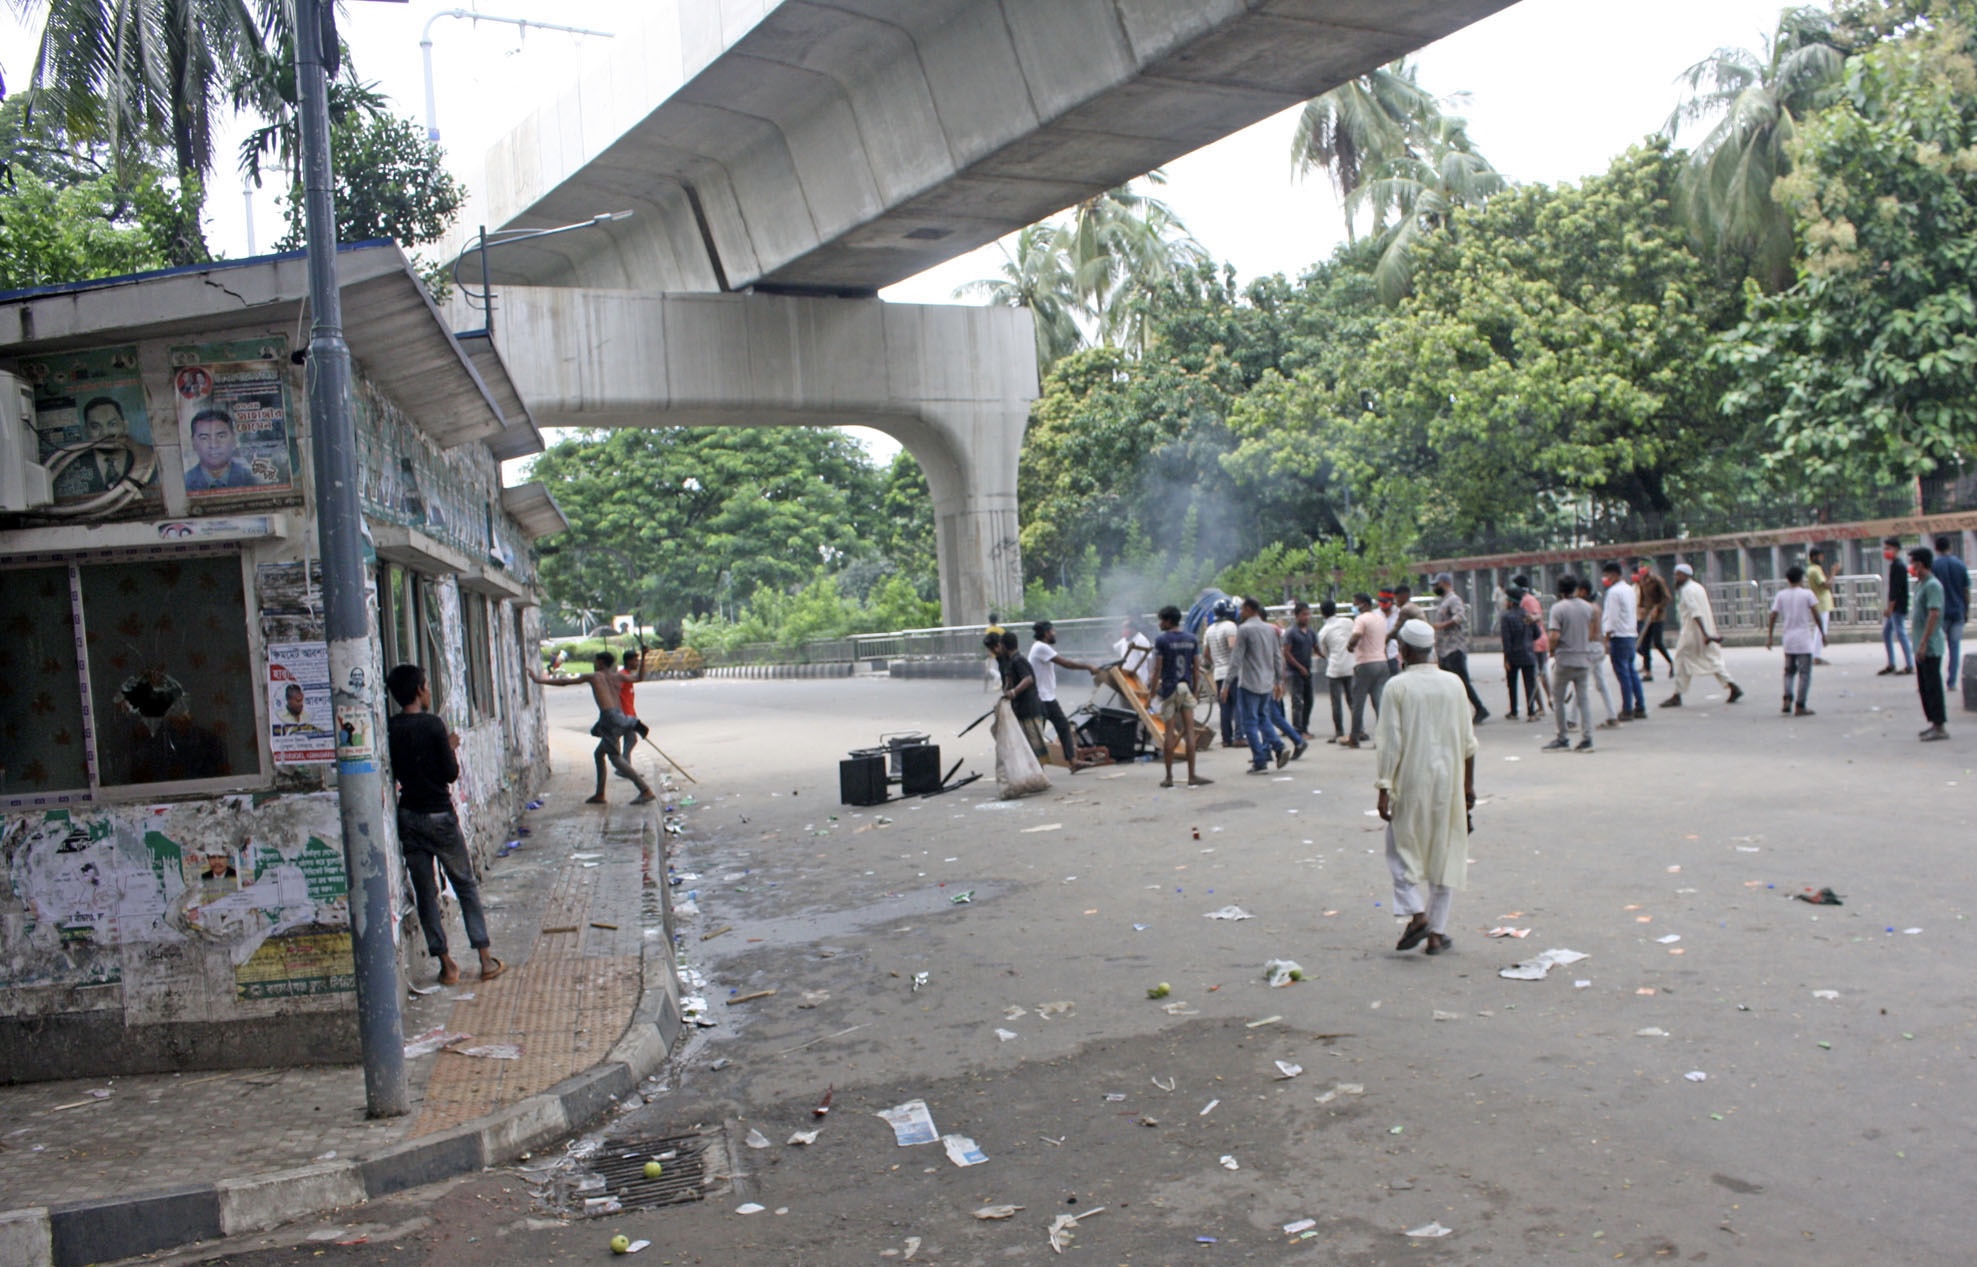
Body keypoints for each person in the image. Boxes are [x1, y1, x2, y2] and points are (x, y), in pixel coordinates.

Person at [386, 663, 502, 986]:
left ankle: (446, 964)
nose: (428, 691)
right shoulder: (433, 725)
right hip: (439, 815)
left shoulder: (392, 727)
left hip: (409, 816)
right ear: (419, 690)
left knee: (425, 893)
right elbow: (450, 773)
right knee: (464, 884)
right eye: (426, 685)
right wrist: (447, 746)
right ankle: (485, 959)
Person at [1375, 620, 1478, 958]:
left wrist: (1384, 787)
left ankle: (1418, 914)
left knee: (1399, 850)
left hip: (1411, 780)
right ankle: (1436, 933)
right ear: (1431, 648)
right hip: (1450, 781)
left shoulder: (1396, 687)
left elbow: (1390, 742)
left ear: (1403, 650)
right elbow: (1469, 742)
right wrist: (1468, 787)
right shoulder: (1454, 683)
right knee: (1443, 852)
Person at [529, 651, 658, 804]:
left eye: (595, 661)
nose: (594, 664)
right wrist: (644, 656)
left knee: (615, 759)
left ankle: (644, 790)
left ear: (601, 663)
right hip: (619, 716)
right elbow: (639, 678)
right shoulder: (618, 676)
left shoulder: (594, 677)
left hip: (609, 718)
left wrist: (538, 680)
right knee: (599, 754)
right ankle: (600, 794)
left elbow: (564, 682)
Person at [1662, 562, 1743, 707]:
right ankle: (1732, 685)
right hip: (1703, 630)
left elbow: (1696, 612)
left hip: (1692, 632)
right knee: (1710, 659)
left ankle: (1677, 695)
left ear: (1685, 575)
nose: (1676, 578)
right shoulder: (1698, 587)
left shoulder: (1687, 590)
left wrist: (1705, 634)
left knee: (1680, 661)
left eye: (1678, 575)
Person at [1151, 605, 1211, 788]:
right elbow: (1196, 668)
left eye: (1161, 620)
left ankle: (1169, 777)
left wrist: (1152, 691)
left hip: (1169, 688)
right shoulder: (1191, 639)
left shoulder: (1162, 640)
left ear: (1168, 621)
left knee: (1169, 733)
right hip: (1186, 688)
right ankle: (1192, 775)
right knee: (1189, 732)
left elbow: (1157, 669)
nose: (1160, 624)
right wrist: (1195, 691)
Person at [1235, 596, 1297, 772]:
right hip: (1266, 682)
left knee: (1250, 722)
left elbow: (1236, 659)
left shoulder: (1244, 630)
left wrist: (1226, 684)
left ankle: (1260, 760)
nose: (1240, 612)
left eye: (1242, 609)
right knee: (1263, 718)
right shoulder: (1271, 629)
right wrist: (1278, 680)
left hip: (1249, 682)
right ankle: (1278, 746)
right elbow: (1278, 656)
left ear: (1248, 609)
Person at [1029, 621, 1098, 770]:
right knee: (1042, 733)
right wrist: (1088, 666)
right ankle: (1036, 767)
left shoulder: (1040, 647)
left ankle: (1072, 762)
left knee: (1063, 726)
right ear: (1046, 633)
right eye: (1053, 631)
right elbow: (1066, 663)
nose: (1055, 634)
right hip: (1041, 698)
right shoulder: (1041, 647)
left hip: (1046, 697)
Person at [1543, 576, 1598, 752]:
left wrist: (1551, 650)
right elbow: (1592, 632)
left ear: (1560, 590)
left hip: (1565, 658)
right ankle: (1587, 738)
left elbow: (1554, 635)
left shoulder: (1558, 608)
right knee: (1583, 700)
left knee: (1558, 699)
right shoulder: (1588, 607)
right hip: (1583, 657)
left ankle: (1562, 737)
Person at [1429, 572, 1488, 724]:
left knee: (1461, 681)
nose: (1435, 588)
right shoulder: (1444, 601)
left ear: (1445, 583)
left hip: (1454, 647)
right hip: (1444, 649)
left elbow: (1459, 617)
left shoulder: (1453, 600)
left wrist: (1441, 625)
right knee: (1447, 683)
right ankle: (1452, 713)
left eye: (1437, 585)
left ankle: (1480, 708)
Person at [1766, 565, 1820, 716]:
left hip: (1788, 639)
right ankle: (1800, 705)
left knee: (1789, 672)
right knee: (1804, 673)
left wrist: (1770, 636)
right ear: (1801, 578)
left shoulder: (1781, 595)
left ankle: (1787, 698)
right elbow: (1816, 614)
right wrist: (1822, 632)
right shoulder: (1807, 594)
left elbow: (1773, 615)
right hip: (1803, 640)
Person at [1910, 546, 1949, 741]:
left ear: (1920, 563)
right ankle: (1933, 722)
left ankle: (1939, 725)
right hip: (1920, 644)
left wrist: (1924, 642)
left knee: (1933, 686)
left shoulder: (1933, 585)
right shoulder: (1920, 584)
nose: (1911, 566)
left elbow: (1934, 614)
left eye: (1913, 562)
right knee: (1924, 687)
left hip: (1930, 645)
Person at [1600, 562, 1645, 720]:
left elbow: (1612, 618)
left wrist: (1606, 639)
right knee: (1631, 671)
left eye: (1607, 575)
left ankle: (1627, 708)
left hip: (1618, 635)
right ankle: (1640, 706)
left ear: (1613, 574)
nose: (1606, 579)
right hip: (1630, 634)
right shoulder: (1629, 589)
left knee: (1623, 673)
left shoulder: (1614, 592)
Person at [994, 630, 1049, 757]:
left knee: (1034, 748)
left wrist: (1014, 692)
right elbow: (1010, 681)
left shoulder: (1018, 660)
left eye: (1000, 645)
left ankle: (1038, 769)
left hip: (1030, 710)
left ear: (1004, 646)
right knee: (1026, 748)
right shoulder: (1010, 661)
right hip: (1022, 710)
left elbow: (1028, 679)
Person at [1345, 593, 1389, 749]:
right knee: (1379, 701)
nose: (1354, 606)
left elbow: (1356, 635)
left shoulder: (1361, 619)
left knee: (1358, 702)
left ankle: (1354, 737)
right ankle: (1383, 737)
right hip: (1382, 662)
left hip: (1365, 663)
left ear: (1364, 604)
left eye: (1355, 603)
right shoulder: (1380, 618)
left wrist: (1350, 646)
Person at [183, 407, 260, 490]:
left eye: (221, 436)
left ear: (234, 439)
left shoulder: (253, 481)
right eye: (204, 438)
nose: (213, 445)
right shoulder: (183, 483)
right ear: (193, 443)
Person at [1204, 599, 1243, 749]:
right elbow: (1232, 646)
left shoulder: (1209, 629)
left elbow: (1206, 653)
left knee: (1225, 706)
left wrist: (1215, 663)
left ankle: (1226, 738)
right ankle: (1239, 736)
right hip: (1232, 672)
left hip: (1218, 673)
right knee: (1238, 703)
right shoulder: (1230, 626)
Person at [1932, 536, 1968, 692]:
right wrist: (1966, 610)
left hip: (1940, 612)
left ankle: (1935, 680)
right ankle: (1951, 682)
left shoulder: (1934, 566)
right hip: (1958, 611)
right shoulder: (1960, 565)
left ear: (1936, 548)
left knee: (1937, 648)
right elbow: (1966, 590)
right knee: (1954, 648)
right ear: (1950, 547)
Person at [1318, 599, 1356, 743]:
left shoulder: (1323, 632)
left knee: (1336, 702)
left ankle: (1339, 731)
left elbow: (1324, 652)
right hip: (1351, 665)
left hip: (1334, 668)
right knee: (1353, 700)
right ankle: (1358, 730)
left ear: (1322, 613)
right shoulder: (1348, 622)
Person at [1513, 575, 1552, 716]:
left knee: (1534, 676)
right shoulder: (1527, 599)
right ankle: (1548, 701)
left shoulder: (1527, 600)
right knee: (1540, 674)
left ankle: (1544, 704)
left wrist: (1529, 619)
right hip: (1536, 641)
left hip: (1535, 642)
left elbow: (1537, 616)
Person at [1499, 590, 1540, 720]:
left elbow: (1506, 640)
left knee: (1512, 684)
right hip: (1528, 653)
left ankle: (1514, 711)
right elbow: (1537, 634)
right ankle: (1531, 712)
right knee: (1529, 684)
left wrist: (1506, 659)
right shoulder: (1527, 615)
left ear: (1511, 602)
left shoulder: (1506, 617)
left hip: (1513, 655)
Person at [1878, 537, 1915, 677]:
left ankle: (1909, 664)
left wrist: (1890, 607)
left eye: (1889, 548)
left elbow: (1896, 589)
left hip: (1898, 606)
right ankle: (1891, 663)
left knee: (1900, 633)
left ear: (1896, 550)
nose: (1886, 551)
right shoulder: (1894, 565)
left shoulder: (1899, 566)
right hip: (1896, 605)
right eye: (1885, 548)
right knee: (1887, 633)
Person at [1283, 601, 1318, 739]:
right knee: (1297, 701)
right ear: (1296, 616)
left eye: (1308, 614)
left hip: (1307, 670)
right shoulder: (1291, 632)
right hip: (1294, 672)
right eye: (1304, 614)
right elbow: (1287, 652)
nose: (1307, 617)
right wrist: (1299, 667)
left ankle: (1304, 727)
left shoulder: (1310, 632)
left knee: (1309, 700)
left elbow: (1316, 647)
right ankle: (1297, 730)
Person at [1635, 561, 1674, 681]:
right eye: (1640, 567)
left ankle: (1671, 662)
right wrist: (1641, 608)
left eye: (1643, 566)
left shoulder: (1657, 580)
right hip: (1647, 616)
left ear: (1649, 567)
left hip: (1657, 617)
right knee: (1645, 643)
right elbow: (1642, 599)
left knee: (1658, 642)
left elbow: (1667, 597)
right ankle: (1648, 672)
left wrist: (1658, 608)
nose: (1641, 569)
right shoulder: (1642, 582)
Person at [1805, 547, 1835, 664]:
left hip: (1821, 602)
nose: (1822, 559)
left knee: (1819, 629)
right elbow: (1826, 585)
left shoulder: (1814, 569)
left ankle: (1815, 654)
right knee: (1820, 629)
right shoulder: (1814, 570)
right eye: (1820, 557)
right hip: (1821, 602)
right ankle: (1816, 656)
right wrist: (1833, 573)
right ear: (1814, 557)